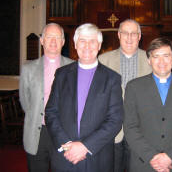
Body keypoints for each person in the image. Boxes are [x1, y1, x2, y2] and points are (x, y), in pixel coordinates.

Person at [45, 23, 123, 172]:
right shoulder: (61, 74)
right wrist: (66, 143)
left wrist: (85, 146)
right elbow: (51, 112)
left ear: (99, 45)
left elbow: (115, 120)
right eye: (82, 40)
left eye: (92, 41)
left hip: (98, 156)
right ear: (75, 44)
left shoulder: (112, 78)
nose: (87, 45)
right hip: (65, 155)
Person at [124, 37, 172, 172]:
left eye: (166, 55)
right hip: (143, 162)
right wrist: (152, 156)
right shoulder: (134, 87)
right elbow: (130, 127)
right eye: (156, 56)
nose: (161, 61)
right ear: (149, 60)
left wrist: (170, 157)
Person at [98, 19, 151, 172]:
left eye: (133, 33)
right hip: (113, 132)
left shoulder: (151, 60)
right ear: (119, 35)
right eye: (125, 33)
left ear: (139, 36)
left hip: (141, 132)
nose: (129, 37)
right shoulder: (103, 61)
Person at [19, 23, 74, 172]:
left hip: (63, 132)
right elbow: (25, 101)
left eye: (58, 37)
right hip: (38, 132)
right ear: (42, 40)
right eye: (49, 37)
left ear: (63, 42)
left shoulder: (74, 67)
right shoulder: (28, 69)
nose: (53, 41)